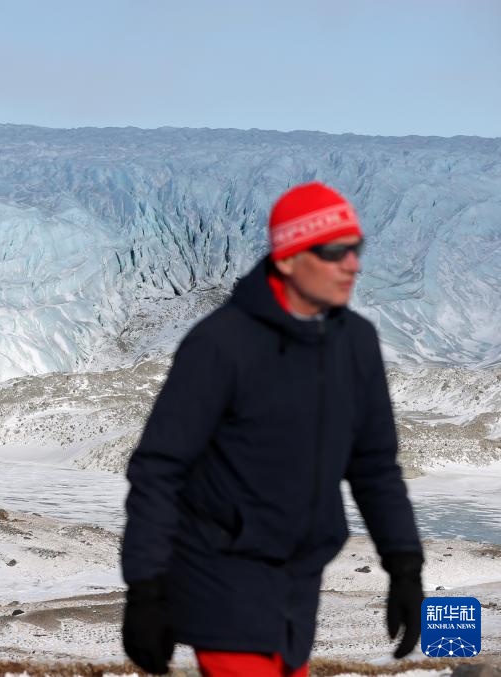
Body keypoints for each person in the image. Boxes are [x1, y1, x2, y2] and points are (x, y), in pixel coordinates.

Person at [121, 182, 424, 676]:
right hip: (221, 572)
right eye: (333, 252)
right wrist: (146, 588)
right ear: (287, 259)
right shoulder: (221, 344)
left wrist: (404, 564)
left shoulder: (356, 344)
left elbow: (374, 467)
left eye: (356, 249)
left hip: (298, 585)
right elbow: (159, 468)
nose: (353, 264)